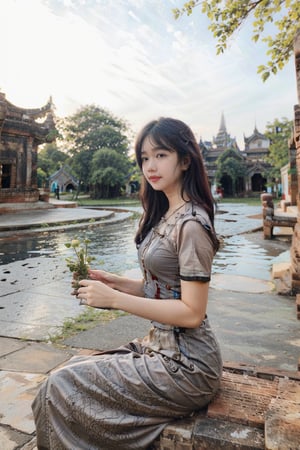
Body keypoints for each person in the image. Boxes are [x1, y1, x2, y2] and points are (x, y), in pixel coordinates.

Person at [32, 117, 222, 450]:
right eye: (144, 157)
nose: (151, 165)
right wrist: (115, 282)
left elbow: (192, 312)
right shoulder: (165, 214)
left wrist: (115, 300)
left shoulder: (191, 224)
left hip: (187, 366)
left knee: (59, 387)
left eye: (161, 155)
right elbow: (162, 289)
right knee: (69, 371)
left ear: (186, 160)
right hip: (159, 347)